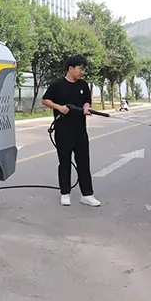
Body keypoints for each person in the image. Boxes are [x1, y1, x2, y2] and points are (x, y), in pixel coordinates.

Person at [40, 55, 102, 207]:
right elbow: (45, 99)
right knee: (65, 163)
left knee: (83, 162)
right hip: (63, 131)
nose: (82, 72)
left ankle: (87, 195)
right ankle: (65, 193)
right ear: (70, 68)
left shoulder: (83, 85)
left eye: (83, 69)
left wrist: (87, 108)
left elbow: (87, 101)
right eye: (80, 69)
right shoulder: (57, 84)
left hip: (80, 131)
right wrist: (59, 107)